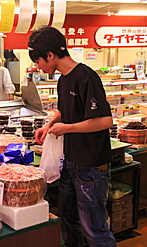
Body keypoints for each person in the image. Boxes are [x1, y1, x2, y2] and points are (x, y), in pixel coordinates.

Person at [29, 26, 116, 247]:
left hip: (91, 165)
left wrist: (66, 128)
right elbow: (64, 111)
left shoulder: (85, 76)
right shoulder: (63, 79)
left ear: (50, 55)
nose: (37, 66)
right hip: (70, 162)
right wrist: (49, 125)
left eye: (38, 60)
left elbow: (105, 121)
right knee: (69, 219)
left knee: (94, 228)